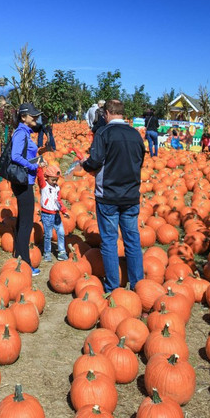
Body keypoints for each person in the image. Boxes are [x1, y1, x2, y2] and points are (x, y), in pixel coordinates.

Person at [80, 99, 145, 292]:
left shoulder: (103, 133)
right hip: (131, 195)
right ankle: (137, 285)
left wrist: (85, 163)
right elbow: (140, 161)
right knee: (132, 240)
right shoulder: (135, 134)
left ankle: (112, 287)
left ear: (107, 113)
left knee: (109, 240)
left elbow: (95, 161)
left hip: (108, 195)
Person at [9, 102, 41, 275]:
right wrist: (32, 165)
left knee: (23, 220)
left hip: (26, 180)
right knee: (27, 223)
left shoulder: (25, 132)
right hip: (23, 182)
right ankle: (26, 263)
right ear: (23, 117)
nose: (35, 117)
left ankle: (20, 258)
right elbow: (15, 156)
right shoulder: (21, 133)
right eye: (32, 115)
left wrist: (36, 161)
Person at [39, 163, 68, 262]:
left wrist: (63, 210)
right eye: (53, 179)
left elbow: (58, 201)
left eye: (56, 179)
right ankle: (47, 253)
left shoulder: (57, 188)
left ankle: (62, 252)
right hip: (46, 214)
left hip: (56, 214)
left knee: (61, 233)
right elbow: (39, 176)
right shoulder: (44, 185)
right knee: (48, 235)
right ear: (46, 177)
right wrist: (40, 167)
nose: (55, 182)